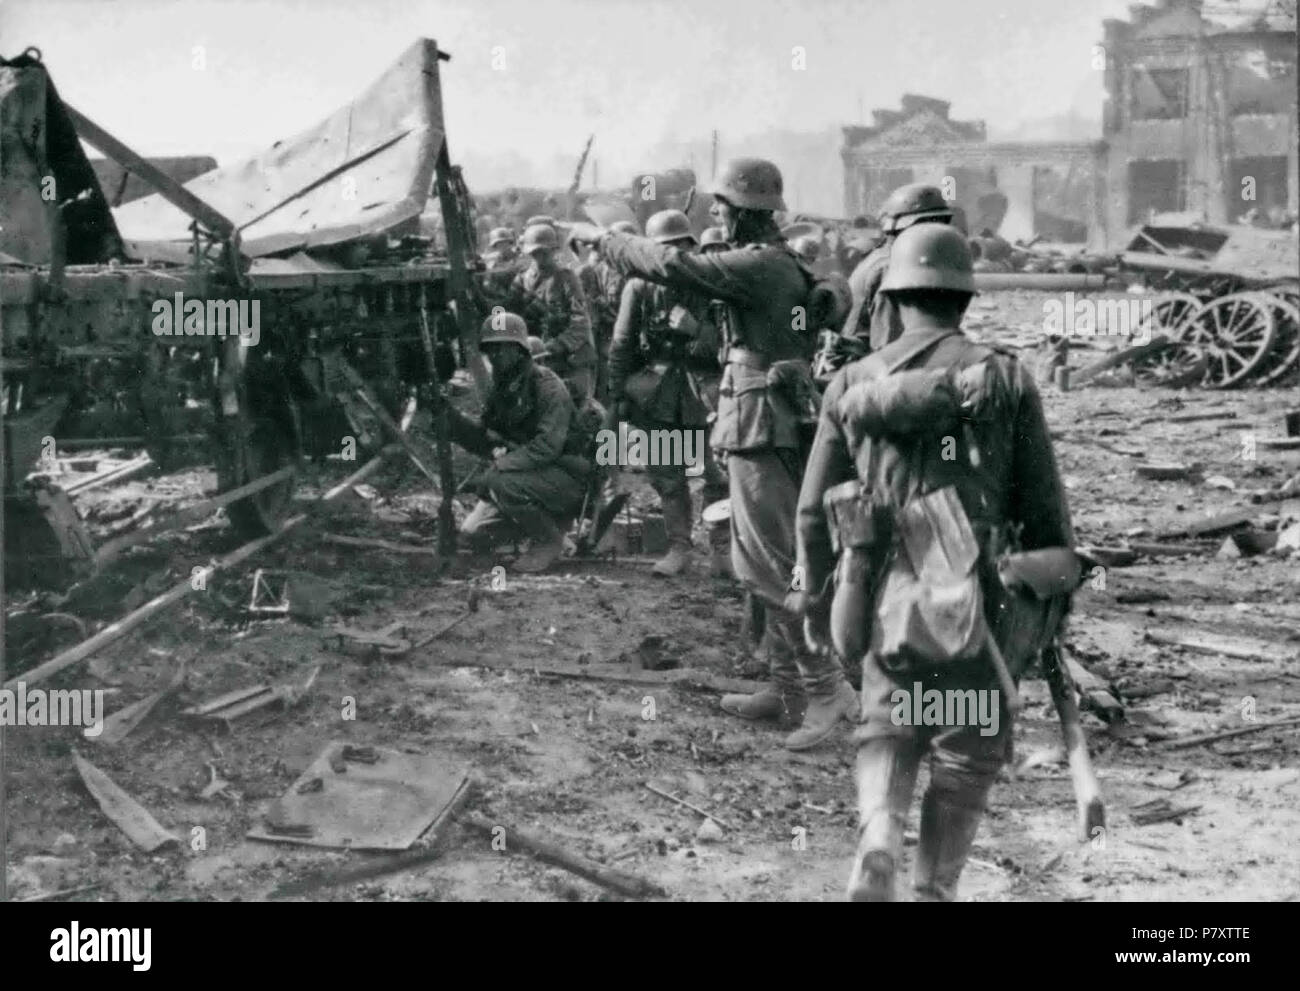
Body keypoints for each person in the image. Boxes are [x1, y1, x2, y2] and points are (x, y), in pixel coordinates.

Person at [793, 223, 1074, 901]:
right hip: (975, 590)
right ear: (965, 300)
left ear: (891, 297)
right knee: (968, 738)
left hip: (878, 583)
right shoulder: (1003, 377)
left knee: (889, 716)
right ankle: (930, 889)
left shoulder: (853, 382)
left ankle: (880, 834)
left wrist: (811, 594)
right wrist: (1050, 605)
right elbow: (1046, 512)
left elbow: (809, 510)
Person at [569, 158, 857, 751]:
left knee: (773, 562)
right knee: (756, 560)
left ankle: (826, 690)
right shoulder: (779, 263)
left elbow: (674, 264)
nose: (716, 214)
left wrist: (607, 241)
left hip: (760, 424)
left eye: (723, 206)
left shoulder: (759, 264)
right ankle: (785, 686)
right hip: (754, 419)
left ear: (747, 211)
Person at [605, 208, 726, 576]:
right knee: (667, 474)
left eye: (679, 247)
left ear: (691, 248)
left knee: (716, 473)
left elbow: (728, 346)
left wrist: (696, 331)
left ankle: (722, 549)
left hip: (704, 391)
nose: (672, 256)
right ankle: (679, 548)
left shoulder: (713, 283)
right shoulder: (638, 286)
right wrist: (618, 394)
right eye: (665, 248)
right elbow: (622, 344)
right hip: (657, 394)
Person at [446, 312, 594, 573]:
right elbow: (486, 438)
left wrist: (502, 465)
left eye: (501, 348)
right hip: (533, 477)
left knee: (500, 482)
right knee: (473, 535)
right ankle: (532, 528)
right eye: (490, 349)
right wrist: (452, 421)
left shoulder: (548, 387)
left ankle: (549, 540)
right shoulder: (504, 389)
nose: (494, 355)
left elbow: (547, 447)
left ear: (519, 350)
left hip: (568, 479)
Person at [840, 184, 954, 358]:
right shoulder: (891, 269)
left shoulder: (890, 258)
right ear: (901, 227)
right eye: (928, 224)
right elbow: (890, 352)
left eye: (940, 223)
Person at [507, 224, 597, 402]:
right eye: (535, 253)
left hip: (569, 358)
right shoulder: (522, 279)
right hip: (536, 356)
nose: (540, 258)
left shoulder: (567, 278)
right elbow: (507, 310)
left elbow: (580, 323)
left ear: (553, 251)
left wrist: (557, 345)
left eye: (544, 252)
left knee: (575, 407)